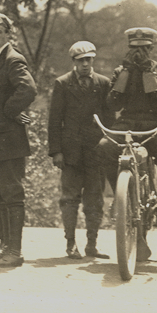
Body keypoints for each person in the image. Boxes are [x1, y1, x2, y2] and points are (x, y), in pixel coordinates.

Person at [97, 27, 157, 260]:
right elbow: (113, 105)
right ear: (129, 50)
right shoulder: (121, 71)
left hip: (155, 126)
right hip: (127, 125)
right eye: (134, 49)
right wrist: (126, 74)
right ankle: (119, 200)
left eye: (144, 49)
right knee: (104, 148)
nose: (139, 54)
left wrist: (148, 73)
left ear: (151, 49)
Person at [0, 13, 37, 268]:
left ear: (7, 34)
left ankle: (15, 251)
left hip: (9, 140)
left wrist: (10, 112)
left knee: (11, 193)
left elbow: (28, 89)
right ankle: (4, 245)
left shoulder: (13, 59)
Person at [47, 41, 112, 259]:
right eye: (80, 60)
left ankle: (92, 245)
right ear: (73, 62)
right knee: (69, 199)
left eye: (89, 59)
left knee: (95, 200)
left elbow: (110, 120)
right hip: (71, 154)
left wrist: (109, 146)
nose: (85, 64)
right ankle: (70, 244)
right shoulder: (63, 84)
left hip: (96, 152)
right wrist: (56, 151)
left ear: (93, 60)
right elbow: (54, 120)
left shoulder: (103, 84)